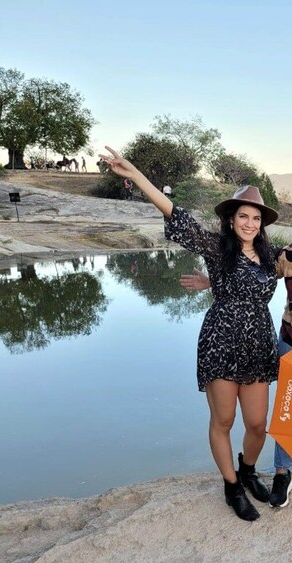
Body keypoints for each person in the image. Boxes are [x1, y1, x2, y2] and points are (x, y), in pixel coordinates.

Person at [100, 146, 277, 522]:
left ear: (262, 223)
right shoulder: (216, 248)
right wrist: (135, 173)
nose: (249, 223)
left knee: (258, 423)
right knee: (224, 420)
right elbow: (176, 215)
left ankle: (248, 469)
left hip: (259, 343)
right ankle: (232, 486)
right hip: (221, 340)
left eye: (255, 218)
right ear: (231, 220)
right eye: (242, 216)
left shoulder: (272, 255)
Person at [181, 201, 292, 507]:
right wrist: (213, 282)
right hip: (289, 342)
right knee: (287, 410)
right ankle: (281, 472)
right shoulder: (287, 254)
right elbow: (247, 272)